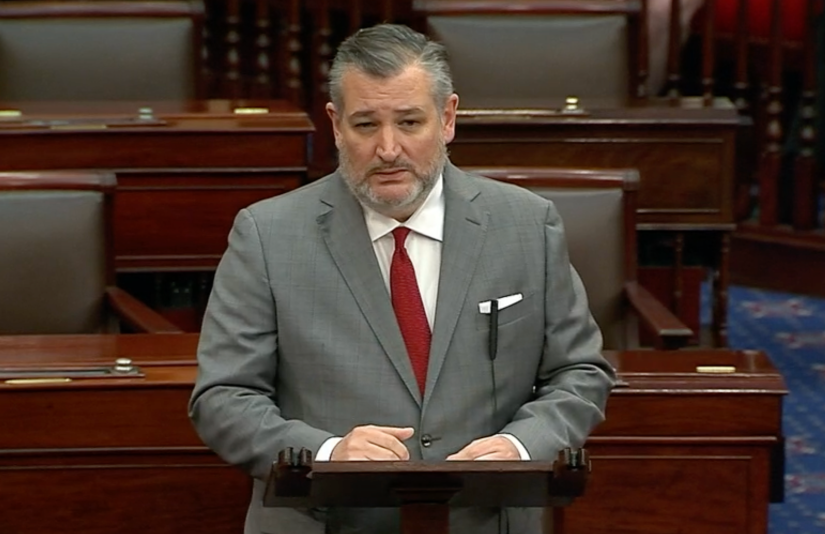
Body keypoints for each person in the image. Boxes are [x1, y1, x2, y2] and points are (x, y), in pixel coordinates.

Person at [189, 23, 615, 534]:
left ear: (448, 118)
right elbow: (223, 396)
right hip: (326, 521)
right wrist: (326, 453)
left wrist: (522, 446)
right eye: (366, 125)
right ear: (336, 125)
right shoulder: (267, 234)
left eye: (409, 122)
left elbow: (580, 372)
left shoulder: (527, 224)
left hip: (484, 520)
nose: (388, 149)